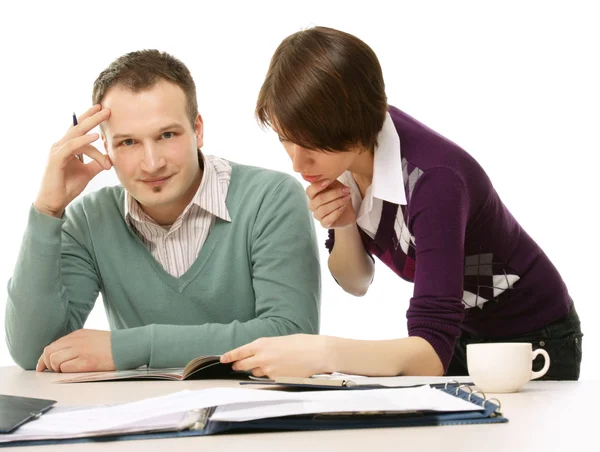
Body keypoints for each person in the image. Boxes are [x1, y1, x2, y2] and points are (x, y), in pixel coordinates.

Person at [221, 26, 583, 380]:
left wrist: (321, 353)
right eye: (286, 139)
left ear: (351, 120)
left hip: (535, 339)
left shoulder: (434, 180)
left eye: (311, 144)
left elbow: (429, 349)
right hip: (467, 338)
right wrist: (345, 223)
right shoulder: (343, 158)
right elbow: (356, 282)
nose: (297, 164)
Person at [5, 49, 320, 373]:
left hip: (258, 414)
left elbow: (291, 334)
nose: (152, 162)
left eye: (167, 135)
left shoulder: (271, 198)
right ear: (105, 146)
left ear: (197, 130)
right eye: (128, 142)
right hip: (142, 418)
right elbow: (34, 353)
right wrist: (48, 208)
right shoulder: (89, 219)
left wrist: (131, 348)